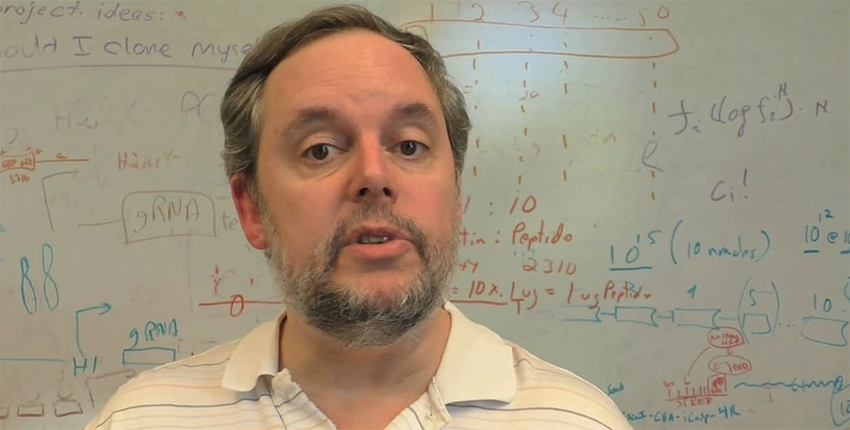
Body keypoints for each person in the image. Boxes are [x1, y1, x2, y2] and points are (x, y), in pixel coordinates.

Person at [84, 5, 634, 430]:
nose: (374, 174)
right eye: (321, 149)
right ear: (251, 207)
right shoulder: (142, 419)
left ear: (456, 193)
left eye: (411, 145)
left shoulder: (576, 420)